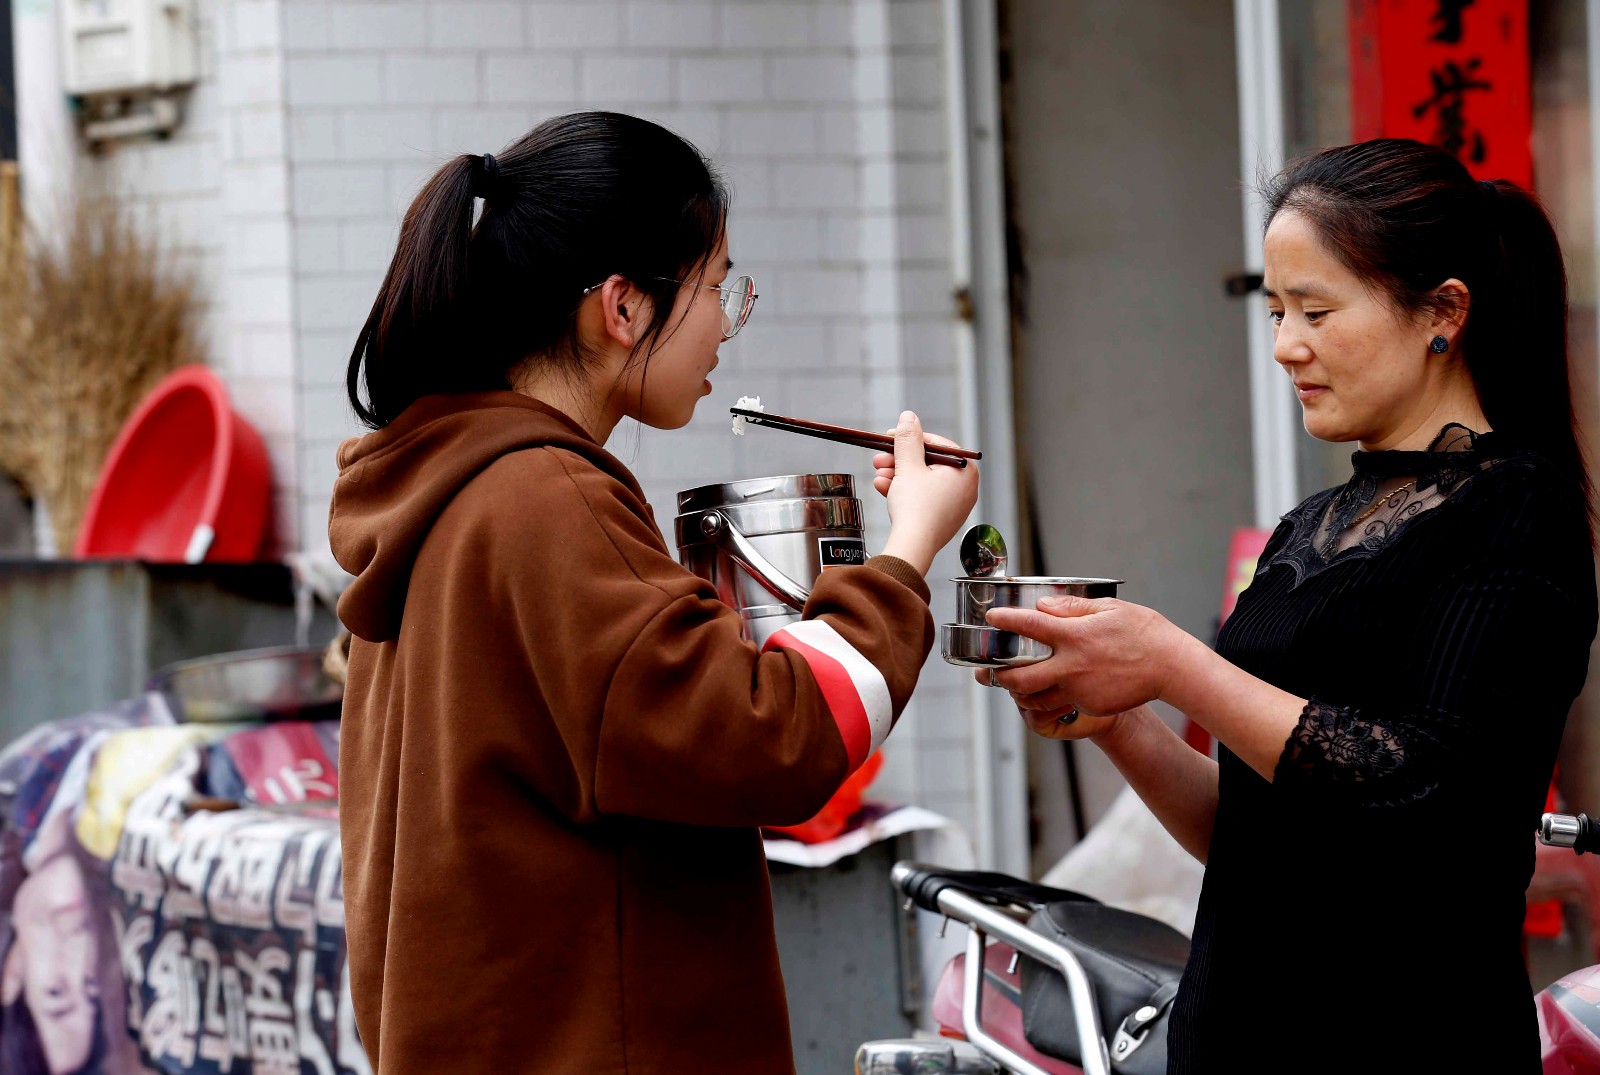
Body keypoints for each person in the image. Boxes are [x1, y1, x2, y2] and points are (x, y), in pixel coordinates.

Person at [330, 111, 979, 1074]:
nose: (727, 317)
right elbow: (774, 736)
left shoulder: (447, 489)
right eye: (718, 285)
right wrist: (906, 553)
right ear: (623, 308)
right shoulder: (548, 500)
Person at [949, 139, 1597, 1071]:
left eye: (1319, 311)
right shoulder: (1317, 522)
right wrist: (1113, 720)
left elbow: (1427, 798)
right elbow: (1254, 836)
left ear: (1443, 312)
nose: (1289, 344)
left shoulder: (1511, 511)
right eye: (1278, 311)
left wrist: (1175, 662)